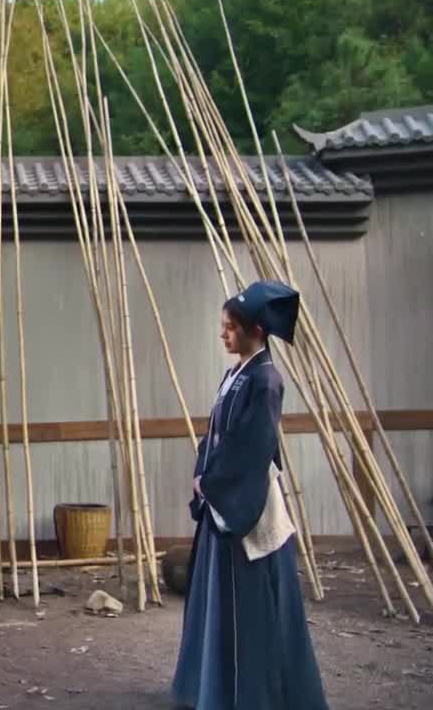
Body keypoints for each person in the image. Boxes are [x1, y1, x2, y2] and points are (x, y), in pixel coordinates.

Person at [171, 279, 329, 710]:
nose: (222, 334)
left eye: (230, 327)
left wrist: (214, 484)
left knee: (247, 609)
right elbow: (215, 436)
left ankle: (251, 696)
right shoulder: (234, 375)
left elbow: (254, 447)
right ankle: (215, 689)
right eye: (222, 326)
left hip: (246, 504)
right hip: (220, 495)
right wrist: (203, 474)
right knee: (215, 604)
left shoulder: (265, 380)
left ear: (256, 331)